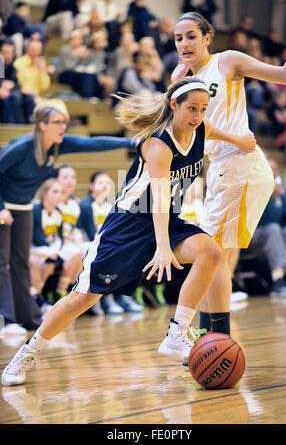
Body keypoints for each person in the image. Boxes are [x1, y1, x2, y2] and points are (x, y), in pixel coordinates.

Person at [1, 76, 257, 386]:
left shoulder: (199, 128)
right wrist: (162, 247)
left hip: (168, 221)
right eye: (192, 108)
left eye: (203, 109)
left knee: (211, 252)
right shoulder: (158, 143)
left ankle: (177, 333)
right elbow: (160, 198)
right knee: (81, 299)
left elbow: (213, 131)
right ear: (174, 105)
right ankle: (28, 351)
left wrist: (240, 140)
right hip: (128, 225)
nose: (198, 116)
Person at [170, 11, 286, 341]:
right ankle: (216, 337)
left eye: (191, 36)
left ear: (207, 37)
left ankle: (193, 335)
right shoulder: (182, 79)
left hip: (240, 164)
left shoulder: (227, 61)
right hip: (223, 168)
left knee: (209, 254)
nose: (184, 43)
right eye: (178, 38)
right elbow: (185, 130)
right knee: (216, 256)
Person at [0, 100, 135, 334]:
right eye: (57, 122)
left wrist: (134, 141)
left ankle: (27, 318)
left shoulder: (59, 145)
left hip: (22, 208)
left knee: (20, 264)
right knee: (3, 263)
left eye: (64, 122)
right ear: (42, 125)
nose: (63, 127)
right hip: (3, 206)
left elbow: (94, 143)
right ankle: (7, 319)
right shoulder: (22, 147)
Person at [78, 171, 143, 314]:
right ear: (91, 186)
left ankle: (122, 295)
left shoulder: (112, 205)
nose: (105, 186)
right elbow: (90, 233)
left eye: (108, 183)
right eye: (101, 182)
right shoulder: (86, 205)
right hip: (87, 243)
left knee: (132, 253)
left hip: (105, 243)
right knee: (110, 254)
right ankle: (105, 298)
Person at [245, 159, 286, 297]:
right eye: (270, 168)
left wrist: (278, 194)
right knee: (273, 229)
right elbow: (262, 220)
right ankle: (278, 282)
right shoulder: (254, 189)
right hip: (250, 237)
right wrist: (267, 193)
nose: (273, 171)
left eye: (275, 169)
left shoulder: (280, 194)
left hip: (273, 237)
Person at [29, 178, 82, 315]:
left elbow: (59, 238)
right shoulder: (36, 209)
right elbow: (37, 239)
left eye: (61, 192)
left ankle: (60, 293)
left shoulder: (58, 211)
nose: (59, 195)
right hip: (35, 248)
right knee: (51, 260)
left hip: (50, 248)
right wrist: (59, 257)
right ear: (44, 193)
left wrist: (61, 254)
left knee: (76, 253)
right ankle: (39, 298)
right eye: (55, 192)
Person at [0, 40, 35, 123]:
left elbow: (16, 84)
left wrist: (19, 88)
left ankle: (30, 125)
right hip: (6, 95)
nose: (8, 56)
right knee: (15, 97)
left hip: (10, 93)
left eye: (10, 53)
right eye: (5, 52)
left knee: (29, 97)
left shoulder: (12, 67)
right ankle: (18, 127)